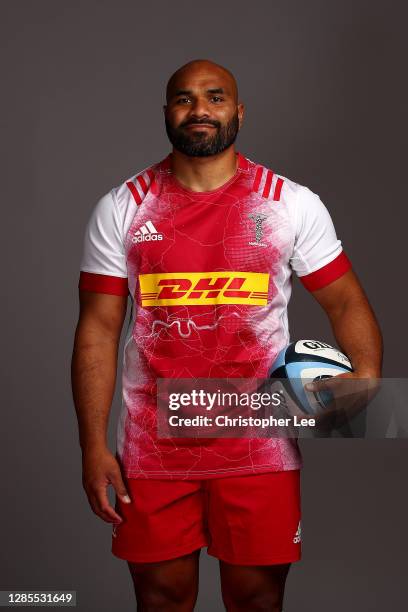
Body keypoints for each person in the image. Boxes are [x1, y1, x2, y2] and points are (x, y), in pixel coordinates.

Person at [71, 59, 382, 611]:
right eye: (184, 99)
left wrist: (366, 380)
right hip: (155, 447)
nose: (200, 110)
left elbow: (346, 300)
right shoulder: (122, 207)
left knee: (257, 600)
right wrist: (93, 445)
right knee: (161, 598)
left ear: (238, 113)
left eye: (215, 98)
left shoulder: (288, 203)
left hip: (258, 441)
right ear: (167, 113)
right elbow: (97, 330)